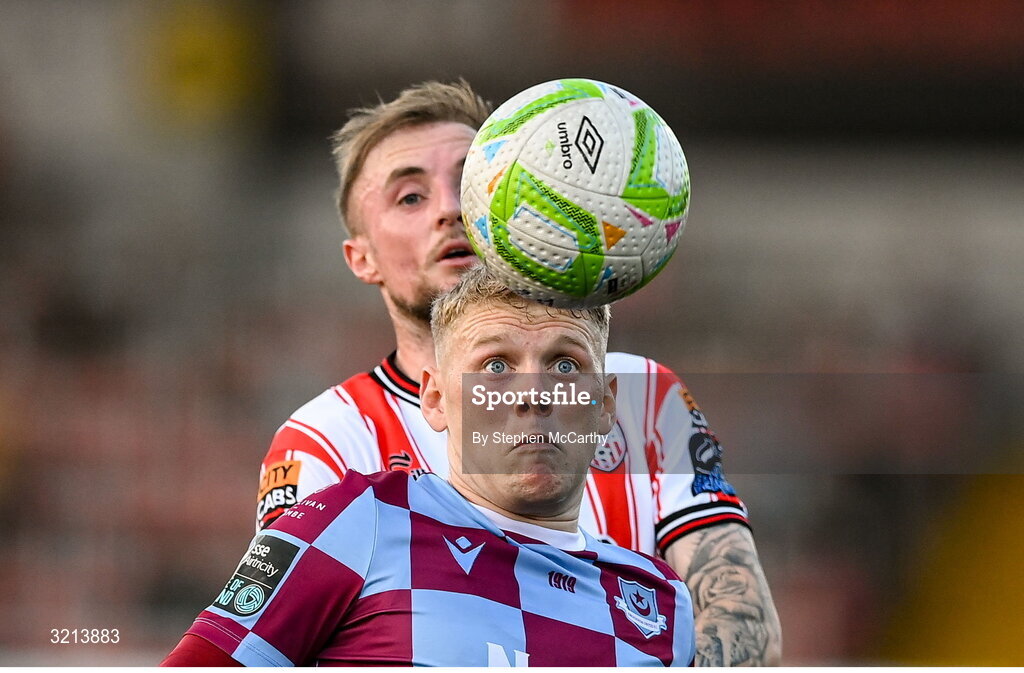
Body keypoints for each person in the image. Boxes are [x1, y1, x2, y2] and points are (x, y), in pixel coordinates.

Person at [254, 80, 780, 666]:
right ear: (362, 258)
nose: (450, 209)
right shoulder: (328, 437)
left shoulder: (640, 396)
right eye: (409, 197)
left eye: (465, 182)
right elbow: (285, 638)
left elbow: (743, 619)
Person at [163, 268, 696, 666]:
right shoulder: (357, 521)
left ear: (604, 406)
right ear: (436, 400)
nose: (535, 393)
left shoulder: (662, 608)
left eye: (564, 363)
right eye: (495, 365)